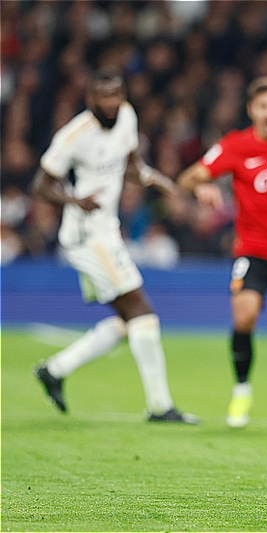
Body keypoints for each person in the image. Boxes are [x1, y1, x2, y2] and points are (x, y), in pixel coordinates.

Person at [32, 69, 198, 424]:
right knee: (141, 311)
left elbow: (131, 162)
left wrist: (155, 179)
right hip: (87, 235)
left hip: (106, 229)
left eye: (116, 95)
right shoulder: (73, 136)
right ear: (90, 98)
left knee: (129, 322)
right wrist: (75, 200)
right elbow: (41, 185)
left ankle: (55, 370)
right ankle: (160, 407)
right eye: (103, 96)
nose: (110, 103)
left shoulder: (126, 116)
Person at [176, 77, 267, 428]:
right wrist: (203, 187)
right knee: (244, 316)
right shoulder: (236, 145)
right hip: (252, 252)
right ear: (251, 110)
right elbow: (188, 177)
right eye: (262, 106)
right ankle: (241, 392)